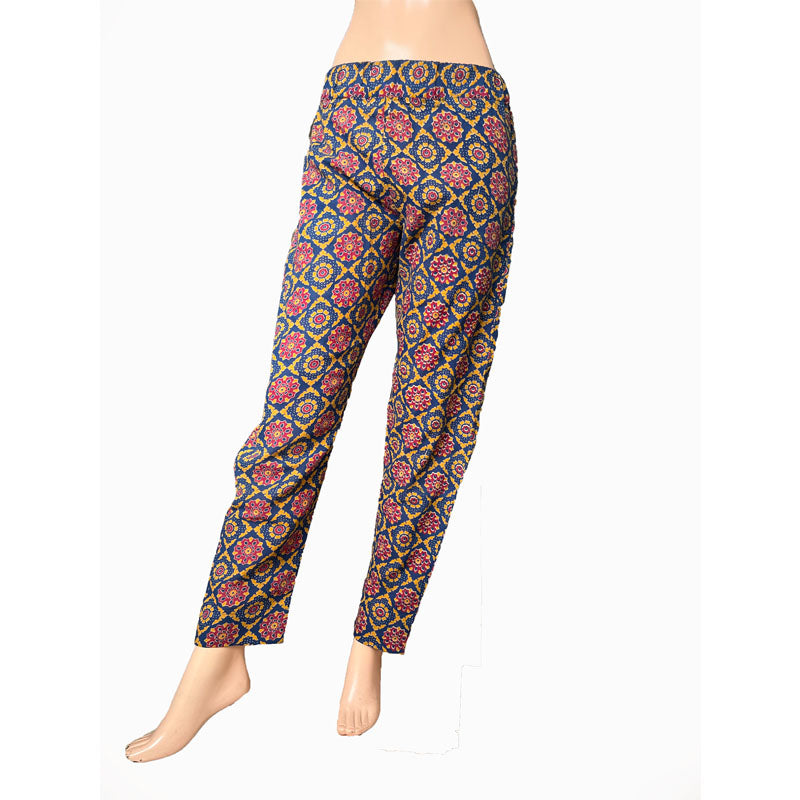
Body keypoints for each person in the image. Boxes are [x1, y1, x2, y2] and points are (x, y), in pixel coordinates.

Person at [125, 0, 518, 762]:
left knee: (428, 419)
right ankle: (219, 653)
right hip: (354, 118)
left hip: (470, 130)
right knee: (295, 408)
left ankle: (371, 642)